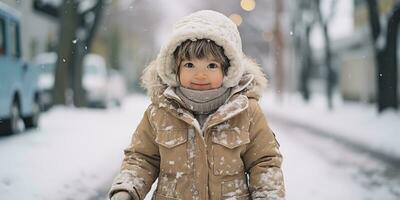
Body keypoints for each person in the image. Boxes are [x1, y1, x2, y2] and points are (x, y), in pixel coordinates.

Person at [109, 10, 285, 200]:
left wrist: (268, 195)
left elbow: (264, 162)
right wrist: (126, 189)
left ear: (228, 70)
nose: (200, 75)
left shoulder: (246, 111)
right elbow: (141, 158)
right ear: (175, 68)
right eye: (189, 65)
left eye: (211, 66)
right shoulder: (160, 112)